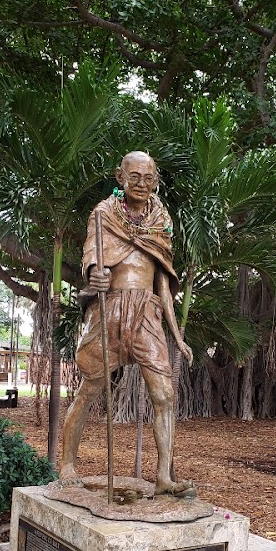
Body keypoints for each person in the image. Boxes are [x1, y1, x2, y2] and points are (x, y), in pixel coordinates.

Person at [60, 151, 193, 496]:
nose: (141, 184)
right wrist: (96, 277)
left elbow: (163, 283)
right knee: (89, 390)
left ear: (156, 180)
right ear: (120, 177)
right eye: (134, 177)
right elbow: (93, 258)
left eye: (148, 178)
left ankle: (163, 477)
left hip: (147, 313)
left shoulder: (160, 220)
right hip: (111, 310)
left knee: (164, 395)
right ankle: (67, 464)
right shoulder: (104, 213)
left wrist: (176, 336)